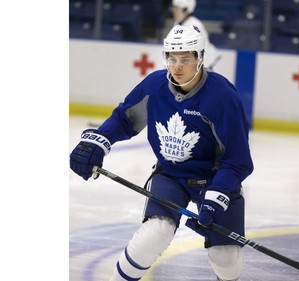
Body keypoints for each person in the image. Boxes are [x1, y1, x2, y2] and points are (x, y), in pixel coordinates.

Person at [70, 24, 254, 281]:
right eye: (172, 58)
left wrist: (216, 196)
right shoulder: (155, 86)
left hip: (214, 179)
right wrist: (96, 143)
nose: (177, 66)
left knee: (226, 258)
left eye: (185, 60)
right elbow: (125, 119)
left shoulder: (221, 97)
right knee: (154, 234)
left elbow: (237, 160)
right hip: (171, 175)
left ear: (200, 59)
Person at [170, 0, 221, 69]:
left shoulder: (194, 25)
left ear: (185, 9)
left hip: (206, 65)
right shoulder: (177, 23)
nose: (173, 10)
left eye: (176, 8)